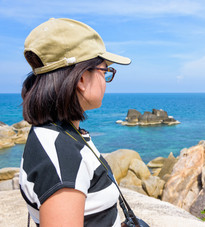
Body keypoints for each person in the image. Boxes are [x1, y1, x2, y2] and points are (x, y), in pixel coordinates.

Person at [19, 18, 131, 227]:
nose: (106, 81)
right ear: (81, 79)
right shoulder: (64, 159)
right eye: (105, 72)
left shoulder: (55, 132)